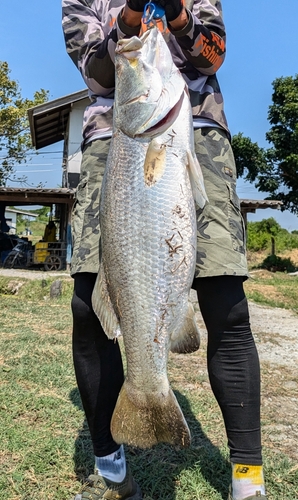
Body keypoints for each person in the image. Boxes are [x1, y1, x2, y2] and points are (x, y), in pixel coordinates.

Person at [62, 1, 267, 499]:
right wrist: (130, 16)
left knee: (227, 308)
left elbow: (210, 57)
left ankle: (248, 480)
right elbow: (94, 69)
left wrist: (176, 12)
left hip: (198, 134)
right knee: (90, 309)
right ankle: (112, 469)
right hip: (117, 141)